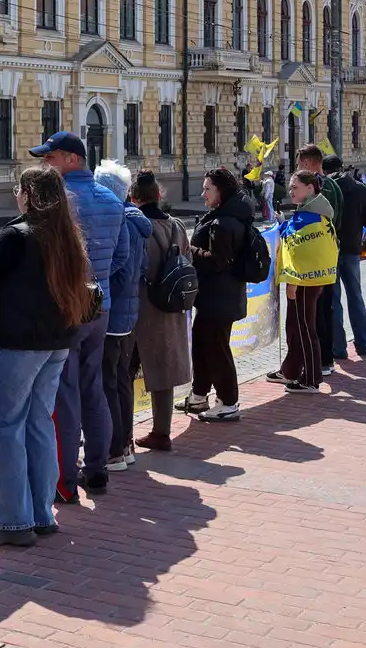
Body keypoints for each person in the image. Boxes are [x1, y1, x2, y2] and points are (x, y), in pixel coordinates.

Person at [0, 166, 90, 547]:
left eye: (20, 190)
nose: (16, 196)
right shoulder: (67, 234)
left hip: (21, 344)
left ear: (31, 195)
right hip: (57, 343)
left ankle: (13, 522)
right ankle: (41, 514)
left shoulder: (18, 234)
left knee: (4, 426)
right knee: (39, 422)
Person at [31, 131, 122, 501]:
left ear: (71, 159)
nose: (45, 164)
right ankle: (97, 469)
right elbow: (122, 257)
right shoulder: (112, 199)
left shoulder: (59, 201)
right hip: (101, 305)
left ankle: (65, 480)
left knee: (65, 395)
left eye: (50, 158)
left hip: (66, 307)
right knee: (93, 387)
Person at [92, 160, 150, 473]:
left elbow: (118, 268)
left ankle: (114, 449)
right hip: (129, 313)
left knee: (109, 382)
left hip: (113, 313)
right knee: (122, 380)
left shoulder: (120, 221)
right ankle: (125, 443)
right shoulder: (136, 220)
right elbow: (139, 269)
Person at [130, 171, 194, 452]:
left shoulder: (136, 226)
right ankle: (161, 430)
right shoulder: (178, 225)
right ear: (159, 195)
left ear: (133, 197)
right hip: (172, 305)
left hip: (142, 307)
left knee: (124, 371)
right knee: (164, 370)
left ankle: (120, 436)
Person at [183, 167, 252, 421]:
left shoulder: (224, 222)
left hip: (219, 298)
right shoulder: (224, 215)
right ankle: (199, 395)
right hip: (216, 296)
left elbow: (217, 262)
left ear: (220, 191)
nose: (203, 194)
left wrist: (190, 250)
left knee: (217, 349)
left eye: (207, 189)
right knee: (202, 345)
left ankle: (228, 401)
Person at [271, 171, 333, 391]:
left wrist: (293, 281)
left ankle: (311, 379)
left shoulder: (311, 215)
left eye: (295, 187)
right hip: (311, 278)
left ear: (310, 188)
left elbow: (297, 248)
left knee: (305, 328)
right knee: (297, 326)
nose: (291, 191)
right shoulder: (313, 210)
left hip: (306, 280)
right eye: (290, 187)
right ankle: (291, 370)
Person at [325, 154, 366, 360]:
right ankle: (362, 343)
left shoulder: (325, 189)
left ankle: (339, 348)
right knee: (356, 296)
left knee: (333, 300)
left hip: (330, 249)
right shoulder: (359, 188)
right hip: (353, 249)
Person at [297, 146, 343, 368]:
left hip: (317, 257)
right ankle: (328, 358)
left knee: (317, 311)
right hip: (330, 254)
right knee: (327, 307)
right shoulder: (334, 184)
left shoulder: (320, 189)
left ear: (306, 163)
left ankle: (321, 361)